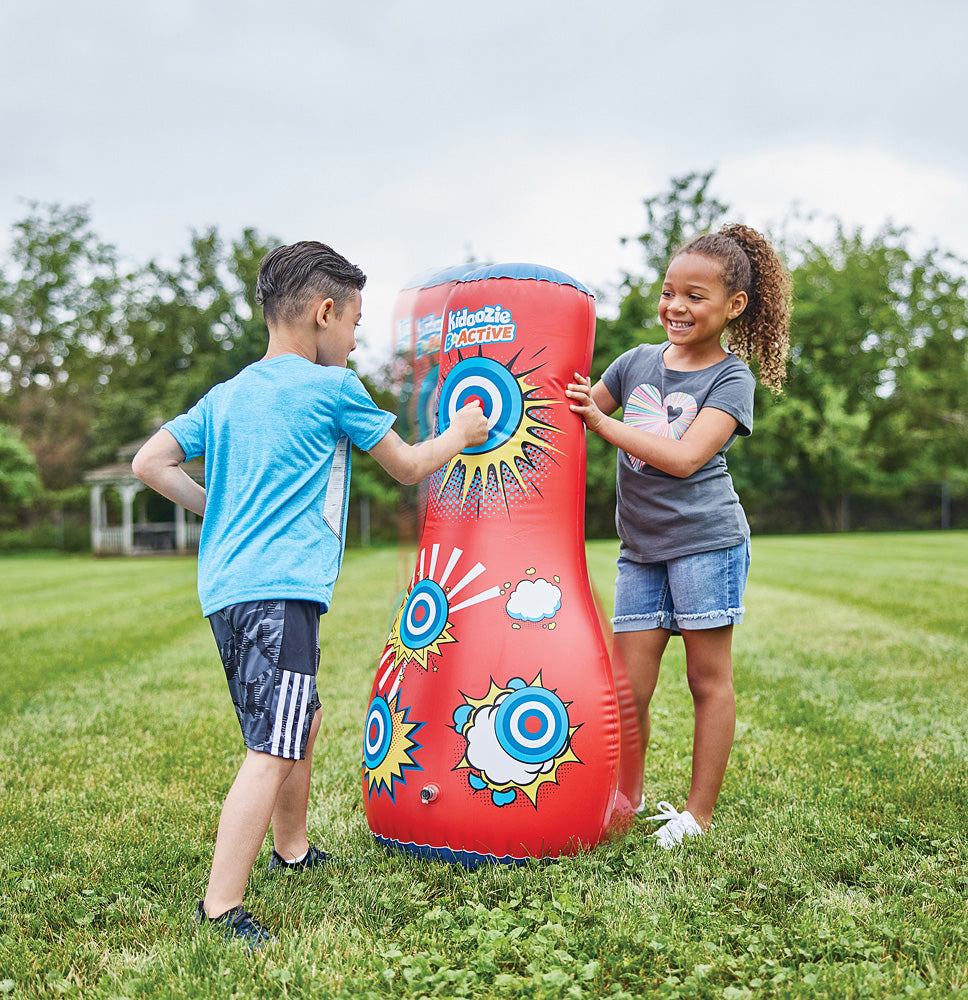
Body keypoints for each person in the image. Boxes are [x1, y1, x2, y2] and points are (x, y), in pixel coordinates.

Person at [132, 241, 488, 946]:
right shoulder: (335, 389)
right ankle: (222, 908)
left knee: (303, 718)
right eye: (355, 322)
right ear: (325, 313)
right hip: (281, 589)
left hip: (230, 590)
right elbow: (411, 467)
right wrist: (462, 431)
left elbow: (151, 462)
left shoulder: (229, 394)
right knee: (271, 745)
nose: (356, 339)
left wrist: (219, 508)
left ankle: (292, 851)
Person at [566, 224, 791, 848]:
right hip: (641, 549)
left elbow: (686, 456)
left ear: (733, 307)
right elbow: (574, 414)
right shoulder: (635, 362)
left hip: (706, 543)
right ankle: (625, 797)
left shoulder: (731, 379)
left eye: (695, 296)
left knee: (705, 679)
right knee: (625, 687)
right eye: (669, 292)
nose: (676, 307)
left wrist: (601, 424)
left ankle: (697, 815)